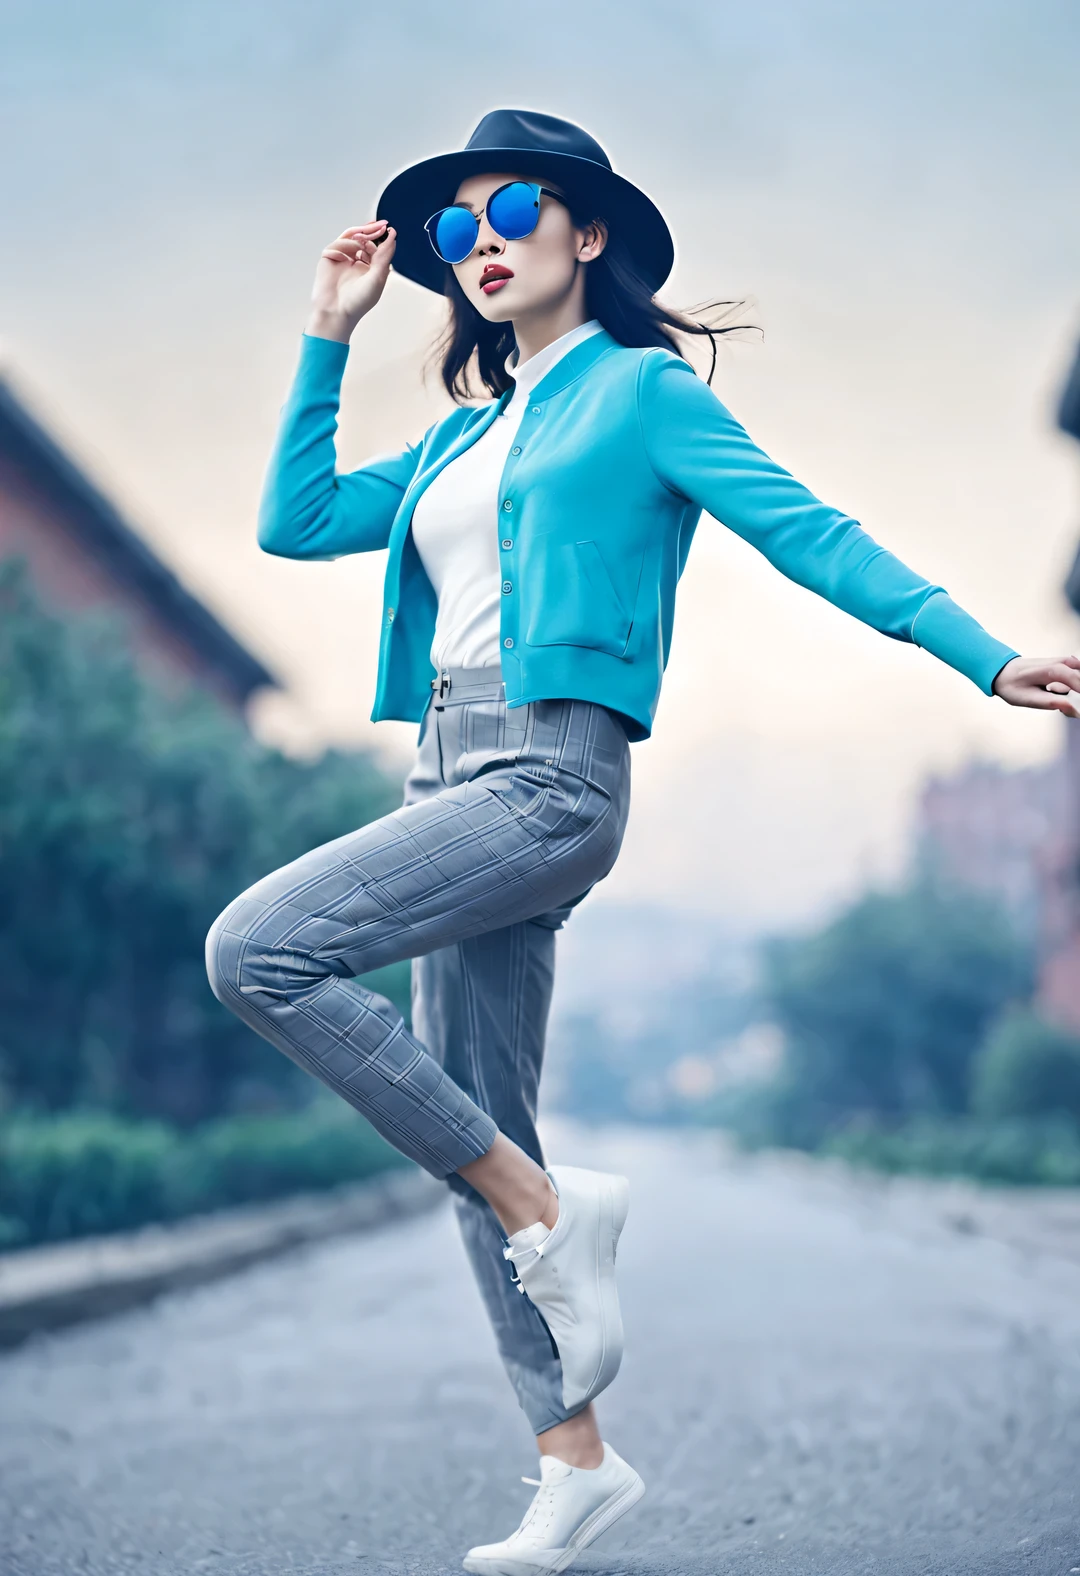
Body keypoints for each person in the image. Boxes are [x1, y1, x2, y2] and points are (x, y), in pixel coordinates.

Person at [205, 109, 1080, 1575]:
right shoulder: (462, 434)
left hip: (550, 776)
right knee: (480, 1122)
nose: (476, 243)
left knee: (259, 951)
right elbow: (295, 524)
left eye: (510, 212)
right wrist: (327, 330)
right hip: (442, 776)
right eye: (451, 229)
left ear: (587, 232)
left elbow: (817, 531)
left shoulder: (642, 397)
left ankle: (544, 1207)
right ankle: (574, 1462)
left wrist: (981, 654)